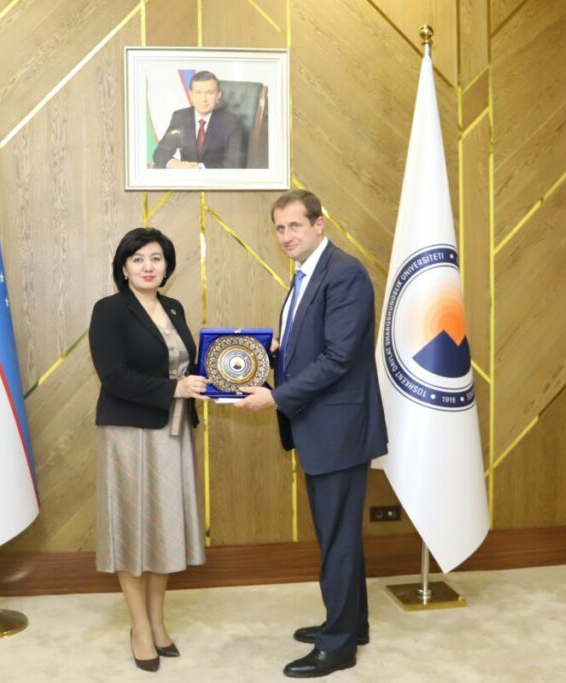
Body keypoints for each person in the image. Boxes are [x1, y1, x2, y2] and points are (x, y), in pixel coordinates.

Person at [236, 190, 388, 678]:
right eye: (280, 228)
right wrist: (271, 352)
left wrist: (277, 397)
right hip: (320, 427)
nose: (286, 236)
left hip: (338, 430)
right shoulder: (305, 273)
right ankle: (351, 624)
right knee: (338, 534)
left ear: (319, 224)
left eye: (295, 226)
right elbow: (314, 345)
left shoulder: (344, 273)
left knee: (337, 538)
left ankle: (338, 646)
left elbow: (339, 358)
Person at [88, 227, 210, 673]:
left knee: (164, 529)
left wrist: (244, 358)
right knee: (131, 529)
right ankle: (139, 626)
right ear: (123, 267)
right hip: (128, 434)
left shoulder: (174, 307)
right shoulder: (109, 310)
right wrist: (174, 388)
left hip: (173, 432)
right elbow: (113, 376)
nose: (147, 266)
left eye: (156, 258)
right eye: (138, 259)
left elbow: (188, 367)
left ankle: (158, 620)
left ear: (166, 266)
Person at [152, 70, 246, 169]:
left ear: (218, 95)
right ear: (191, 95)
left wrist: (199, 167)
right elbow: (160, 153)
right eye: (198, 93)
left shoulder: (231, 122)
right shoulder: (180, 117)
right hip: (185, 176)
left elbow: (234, 164)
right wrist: (175, 164)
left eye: (209, 93)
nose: (203, 99)